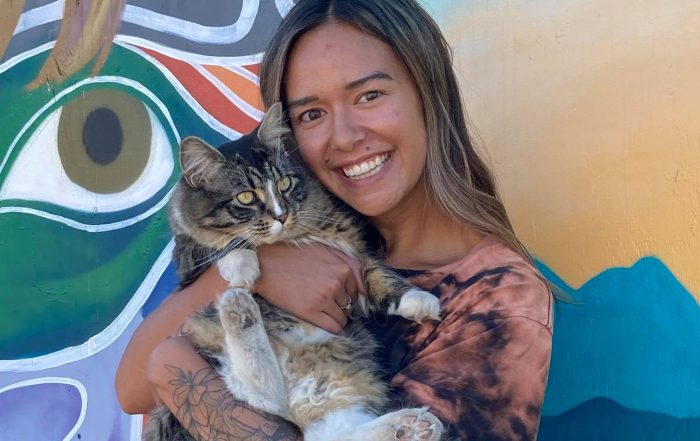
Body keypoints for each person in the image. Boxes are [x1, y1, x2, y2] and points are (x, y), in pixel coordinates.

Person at [115, 0, 554, 439]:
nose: (344, 137)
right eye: (312, 114)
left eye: (369, 96)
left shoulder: (499, 300)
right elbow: (131, 388)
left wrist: (173, 369)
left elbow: (159, 367)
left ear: (429, 93)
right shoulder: (296, 228)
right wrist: (264, 273)